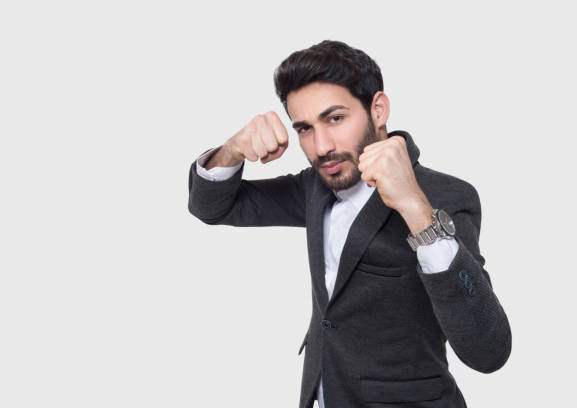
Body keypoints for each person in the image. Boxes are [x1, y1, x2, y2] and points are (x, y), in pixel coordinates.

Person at [187, 40, 511, 408]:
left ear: (378, 109)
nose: (321, 146)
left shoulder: (447, 196)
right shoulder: (315, 188)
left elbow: (489, 350)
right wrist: (233, 149)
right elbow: (212, 208)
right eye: (305, 128)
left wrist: (414, 208)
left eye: (335, 118)